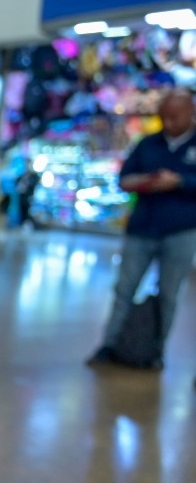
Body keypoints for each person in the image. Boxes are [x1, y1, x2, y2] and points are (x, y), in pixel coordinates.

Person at [89, 88, 196, 369]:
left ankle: (155, 352)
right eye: (164, 117)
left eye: (174, 117)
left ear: (190, 113)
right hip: (142, 228)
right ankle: (109, 345)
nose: (169, 123)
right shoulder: (148, 143)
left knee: (169, 294)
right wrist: (146, 181)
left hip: (181, 231)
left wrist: (180, 182)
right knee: (124, 289)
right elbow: (123, 179)